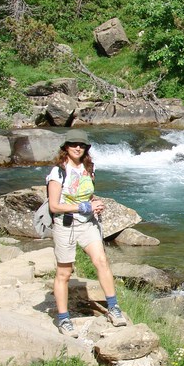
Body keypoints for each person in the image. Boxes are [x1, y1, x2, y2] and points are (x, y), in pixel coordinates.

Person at [47, 129, 127, 337]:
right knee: (64, 273)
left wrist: (94, 204)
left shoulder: (88, 168)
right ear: (65, 147)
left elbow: (87, 195)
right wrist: (83, 207)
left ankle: (113, 307)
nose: (77, 148)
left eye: (81, 145)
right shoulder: (58, 172)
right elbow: (55, 206)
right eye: (73, 144)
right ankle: (64, 319)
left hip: (88, 224)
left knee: (101, 261)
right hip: (66, 225)